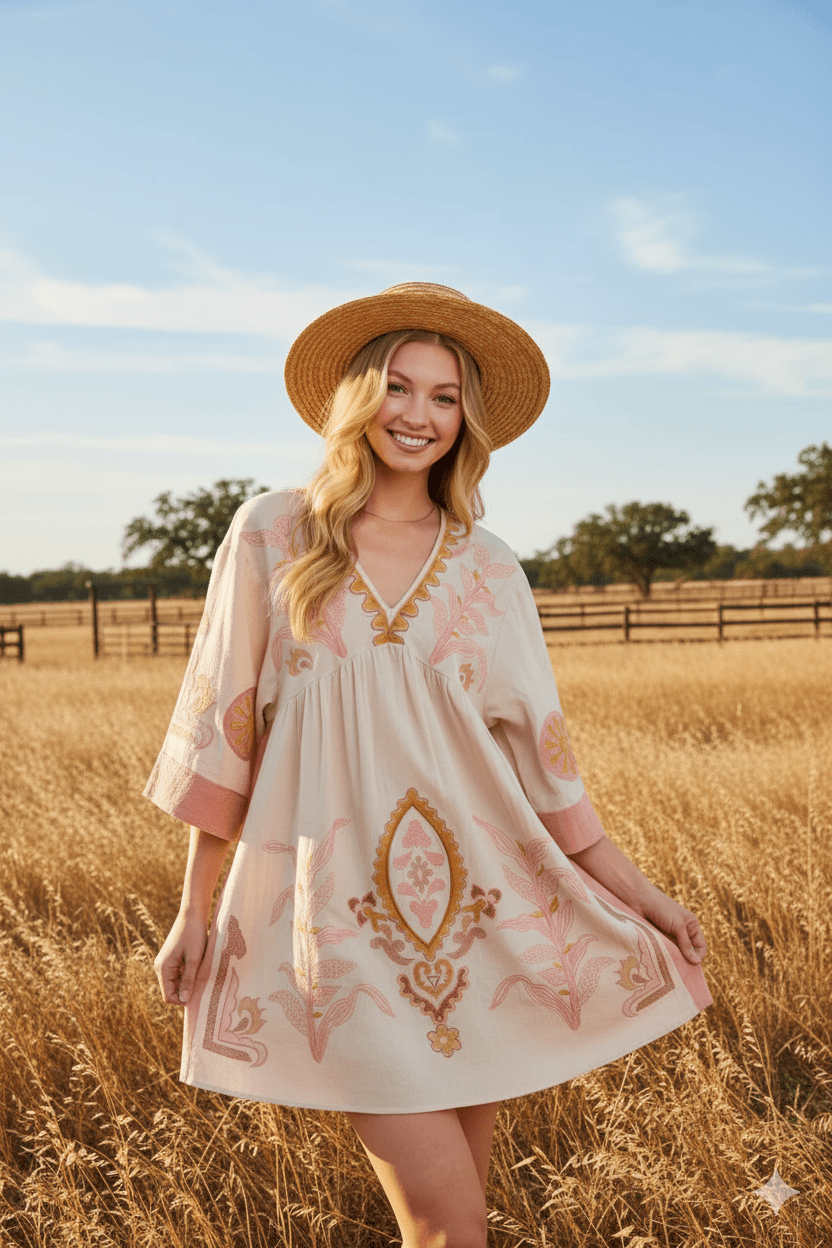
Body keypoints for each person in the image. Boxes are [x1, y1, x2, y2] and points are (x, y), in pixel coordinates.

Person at [150, 283, 710, 1248]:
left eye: (444, 396)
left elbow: (548, 769)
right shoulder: (272, 532)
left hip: (478, 923)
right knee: (452, 1225)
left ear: (468, 419)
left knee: (456, 1227)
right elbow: (224, 736)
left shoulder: (489, 567)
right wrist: (195, 909)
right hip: (339, 929)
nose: (418, 415)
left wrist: (644, 895)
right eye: (398, 388)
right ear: (359, 399)